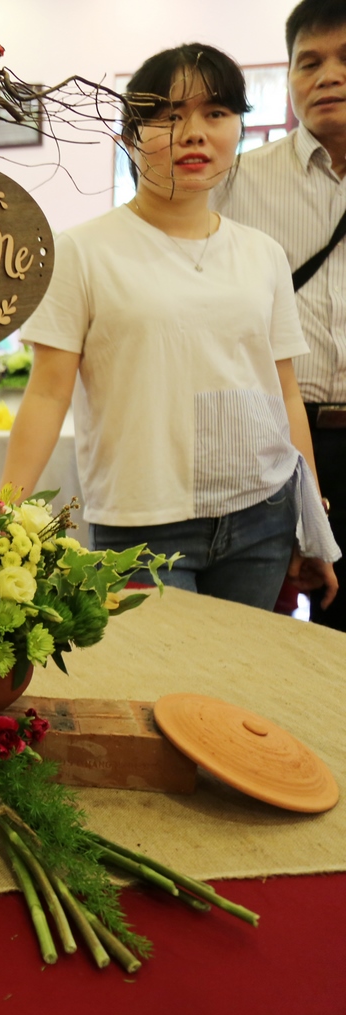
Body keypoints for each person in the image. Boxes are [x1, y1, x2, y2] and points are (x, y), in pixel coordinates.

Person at [1, 44, 339, 610]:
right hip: (140, 523)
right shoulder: (82, 251)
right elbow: (47, 393)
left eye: (216, 113)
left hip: (262, 515)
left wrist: (312, 524)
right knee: (157, 668)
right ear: (130, 136)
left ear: (238, 127)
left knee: (238, 667)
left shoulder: (263, 254)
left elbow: (284, 390)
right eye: (169, 116)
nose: (194, 133)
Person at [217, 0, 346, 625]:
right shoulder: (237, 181)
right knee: (261, 635)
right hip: (278, 444)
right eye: (309, 62)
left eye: (345, 59)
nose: (328, 76)